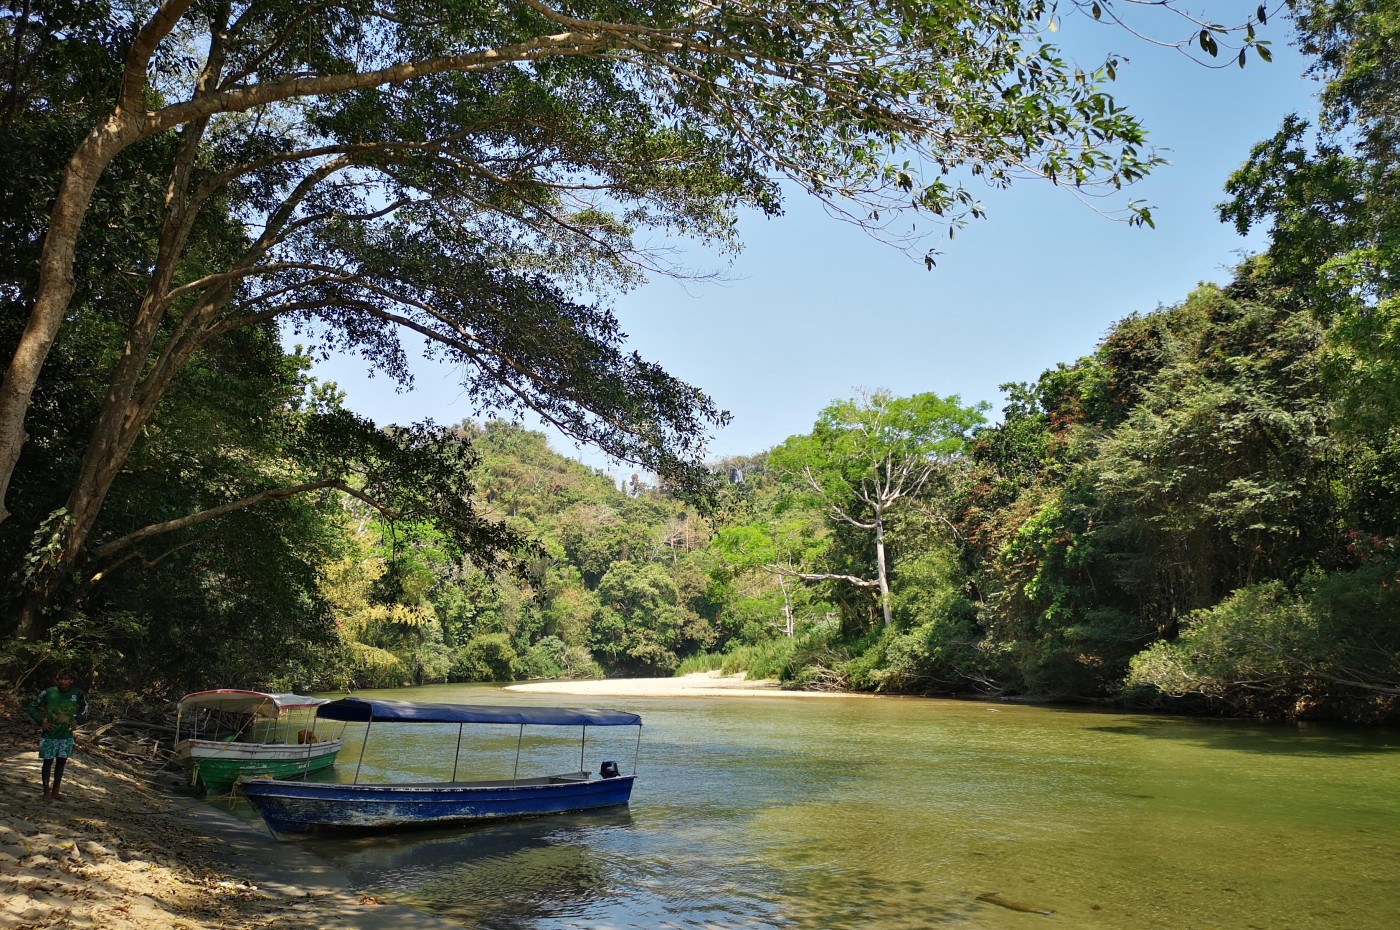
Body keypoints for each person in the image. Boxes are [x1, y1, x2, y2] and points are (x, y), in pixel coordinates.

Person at [26, 668, 89, 801]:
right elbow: (31, 707)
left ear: (71, 681)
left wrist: (77, 719)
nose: (63, 681)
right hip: (49, 735)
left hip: (66, 736)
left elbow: (85, 707)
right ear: (57, 680)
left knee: (61, 763)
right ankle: (46, 791)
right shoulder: (48, 692)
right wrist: (41, 722)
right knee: (47, 763)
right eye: (61, 678)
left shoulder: (77, 693)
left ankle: (56, 791)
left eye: (66, 679)